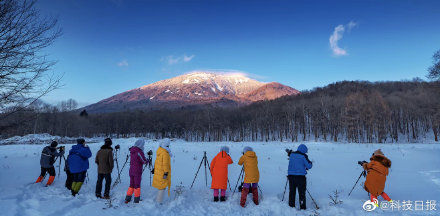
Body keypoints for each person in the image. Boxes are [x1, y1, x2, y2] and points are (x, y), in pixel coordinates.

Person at [287, 144, 312, 210]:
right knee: (301, 193)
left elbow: (290, 154)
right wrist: (310, 162)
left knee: (292, 192)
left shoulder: (292, 155)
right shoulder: (303, 156)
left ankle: (291, 206)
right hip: (300, 178)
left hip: (291, 177)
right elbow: (309, 166)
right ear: (304, 151)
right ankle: (302, 207)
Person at [125, 139, 150, 203]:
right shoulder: (139, 152)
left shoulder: (132, 151)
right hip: (137, 171)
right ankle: (136, 200)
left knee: (131, 185)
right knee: (137, 185)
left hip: (131, 170)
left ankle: (128, 198)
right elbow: (143, 161)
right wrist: (148, 160)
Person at [152, 138, 172, 204]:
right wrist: (166, 172)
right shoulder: (165, 153)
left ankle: (158, 200)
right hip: (162, 172)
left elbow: (156, 161)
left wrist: (154, 168)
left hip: (159, 171)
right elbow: (165, 164)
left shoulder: (160, 150)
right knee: (162, 187)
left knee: (161, 186)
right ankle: (159, 201)